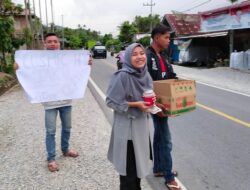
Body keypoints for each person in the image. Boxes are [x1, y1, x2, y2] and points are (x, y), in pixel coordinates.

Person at [14, 33, 92, 172]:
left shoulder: (66, 59)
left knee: (67, 127)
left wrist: (85, 63)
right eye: (49, 41)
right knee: (50, 131)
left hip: (66, 100)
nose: (53, 44)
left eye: (55, 41)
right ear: (44, 44)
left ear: (59, 43)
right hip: (50, 103)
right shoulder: (40, 60)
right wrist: (20, 67)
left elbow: (76, 68)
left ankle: (66, 149)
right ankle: (51, 158)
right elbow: (30, 71)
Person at [106, 43, 153, 190]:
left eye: (142, 53)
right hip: (128, 131)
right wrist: (135, 104)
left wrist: (152, 103)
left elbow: (147, 96)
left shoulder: (145, 74)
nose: (139, 57)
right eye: (134, 54)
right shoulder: (122, 76)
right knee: (128, 174)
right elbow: (111, 101)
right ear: (127, 57)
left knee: (138, 170)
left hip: (142, 128)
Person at [146, 24, 181, 190]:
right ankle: (169, 177)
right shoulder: (147, 56)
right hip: (154, 104)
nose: (169, 40)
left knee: (159, 136)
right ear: (156, 37)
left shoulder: (165, 55)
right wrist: (154, 105)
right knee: (166, 140)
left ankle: (158, 168)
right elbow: (143, 84)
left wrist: (179, 84)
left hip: (164, 103)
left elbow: (171, 75)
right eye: (166, 37)